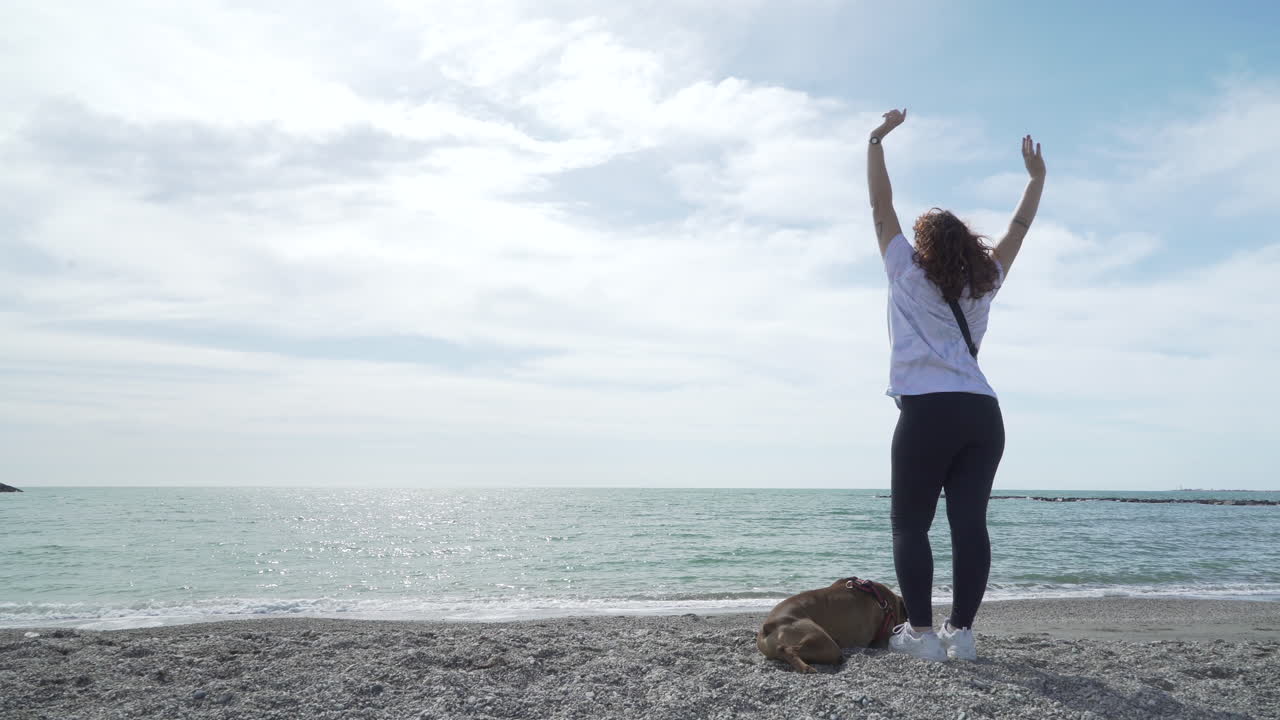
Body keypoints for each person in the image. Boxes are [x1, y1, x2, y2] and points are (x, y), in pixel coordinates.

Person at [865, 108, 1046, 661]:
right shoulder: (984, 281)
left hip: (927, 412)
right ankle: (961, 635)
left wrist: (875, 141)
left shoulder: (904, 269)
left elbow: (880, 205)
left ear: (923, 244)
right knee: (969, 526)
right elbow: (1017, 232)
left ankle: (920, 635)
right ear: (965, 247)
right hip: (982, 414)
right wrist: (1036, 181)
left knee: (910, 525)